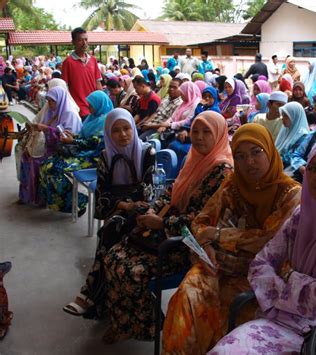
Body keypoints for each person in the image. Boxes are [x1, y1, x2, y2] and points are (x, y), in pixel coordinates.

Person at [211, 136, 316, 353]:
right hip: (286, 319)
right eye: (314, 169)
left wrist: (287, 277)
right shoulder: (302, 214)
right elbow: (259, 265)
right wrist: (297, 286)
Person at [162, 123, 301, 354]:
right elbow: (200, 222)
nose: (249, 162)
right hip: (218, 266)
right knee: (187, 296)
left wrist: (218, 235)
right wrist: (206, 244)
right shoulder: (232, 184)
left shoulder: (291, 194)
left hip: (261, 278)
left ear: (270, 150)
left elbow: (270, 240)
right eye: (240, 156)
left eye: (257, 152)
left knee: (235, 315)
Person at [101, 111, 234, 343]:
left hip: (190, 245)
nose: (199, 137)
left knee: (130, 270)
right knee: (113, 256)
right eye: (195, 131)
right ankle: (125, 322)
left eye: (207, 132)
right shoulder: (193, 159)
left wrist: (163, 222)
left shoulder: (222, 171)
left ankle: (146, 326)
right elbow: (172, 195)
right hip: (166, 231)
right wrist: (155, 210)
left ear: (220, 135)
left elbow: (205, 222)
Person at [62, 108, 155, 319]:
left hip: (141, 211)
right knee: (111, 231)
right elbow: (102, 192)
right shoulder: (106, 156)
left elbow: (147, 191)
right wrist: (123, 205)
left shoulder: (146, 152)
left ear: (133, 128)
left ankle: (89, 295)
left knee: (110, 232)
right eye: (116, 131)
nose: (123, 135)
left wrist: (125, 204)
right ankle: (97, 298)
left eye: (127, 129)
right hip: (120, 209)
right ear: (108, 134)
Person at [39, 90, 114, 214]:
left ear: (99, 105)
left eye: (91, 105)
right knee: (45, 165)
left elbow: (95, 143)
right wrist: (74, 137)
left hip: (93, 158)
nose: (88, 107)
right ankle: (66, 202)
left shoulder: (106, 121)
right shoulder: (92, 118)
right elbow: (85, 137)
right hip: (82, 152)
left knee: (53, 169)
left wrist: (73, 141)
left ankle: (79, 201)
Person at [19, 86, 83, 205]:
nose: (49, 103)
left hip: (63, 149)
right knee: (26, 156)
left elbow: (68, 138)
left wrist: (47, 129)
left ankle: (41, 198)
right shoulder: (50, 110)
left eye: (52, 101)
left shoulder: (69, 114)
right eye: (48, 100)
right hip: (50, 145)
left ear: (60, 100)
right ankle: (28, 196)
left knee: (36, 162)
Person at [61, 28, 102, 118]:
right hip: (78, 109)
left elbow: (98, 83)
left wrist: (101, 102)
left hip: (94, 107)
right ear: (73, 42)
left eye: (86, 39)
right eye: (80, 40)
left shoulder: (93, 60)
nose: (84, 43)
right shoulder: (68, 62)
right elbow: (65, 87)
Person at [275, 101, 310, 171]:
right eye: (282, 115)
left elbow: (291, 157)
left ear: (295, 116)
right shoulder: (286, 129)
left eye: (286, 115)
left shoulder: (302, 136)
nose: (282, 118)